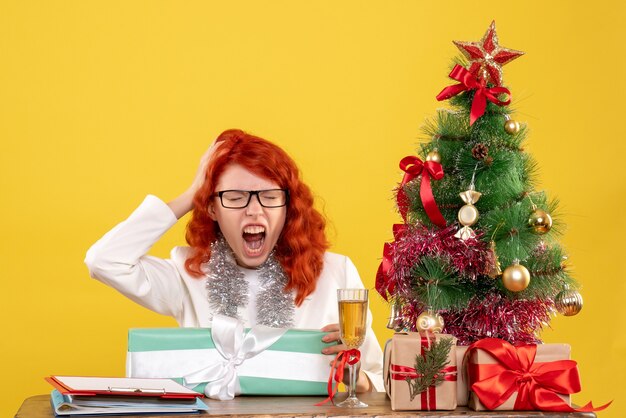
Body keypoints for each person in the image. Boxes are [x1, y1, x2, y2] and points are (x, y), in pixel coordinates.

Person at [85, 129, 384, 392]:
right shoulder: (188, 273)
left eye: (269, 196)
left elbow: (379, 381)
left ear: (288, 207)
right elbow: (104, 260)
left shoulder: (336, 272)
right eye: (235, 197)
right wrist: (192, 193)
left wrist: (358, 379)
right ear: (213, 208)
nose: (254, 211)